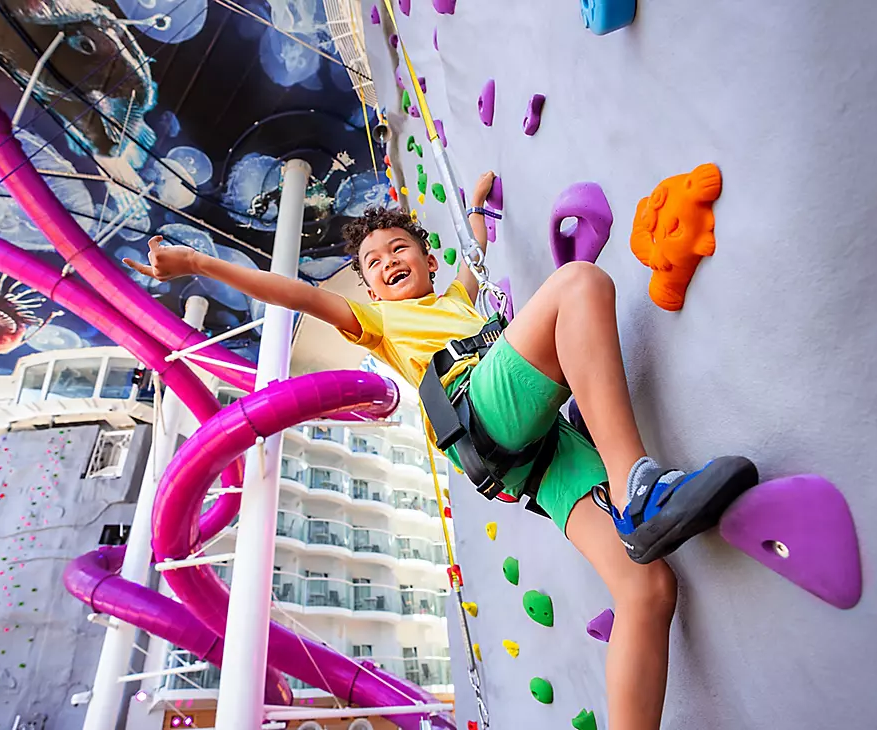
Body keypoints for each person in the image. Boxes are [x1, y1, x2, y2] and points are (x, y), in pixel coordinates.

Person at [125, 171, 758, 730]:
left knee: (647, 590)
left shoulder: (456, 298)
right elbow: (296, 294)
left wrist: (477, 208)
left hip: (534, 462)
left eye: (399, 248)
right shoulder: (378, 324)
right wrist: (200, 266)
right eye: (373, 262)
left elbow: (471, 253)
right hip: (484, 415)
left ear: (426, 260)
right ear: (369, 291)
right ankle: (636, 490)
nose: (387, 261)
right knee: (579, 285)